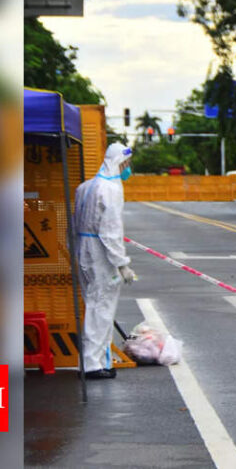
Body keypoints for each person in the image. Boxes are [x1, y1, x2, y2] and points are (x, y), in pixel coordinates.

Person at [73, 143, 137, 380]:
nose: (127, 169)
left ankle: (97, 360)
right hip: (101, 254)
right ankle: (93, 364)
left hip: (84, 251)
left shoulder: (85, 187)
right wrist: (122, 264)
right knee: (101, 309)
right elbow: (110, 231)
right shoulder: (110, 189)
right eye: (126, 165)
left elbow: (74, 221)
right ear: (119, 163)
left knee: (94, 305)